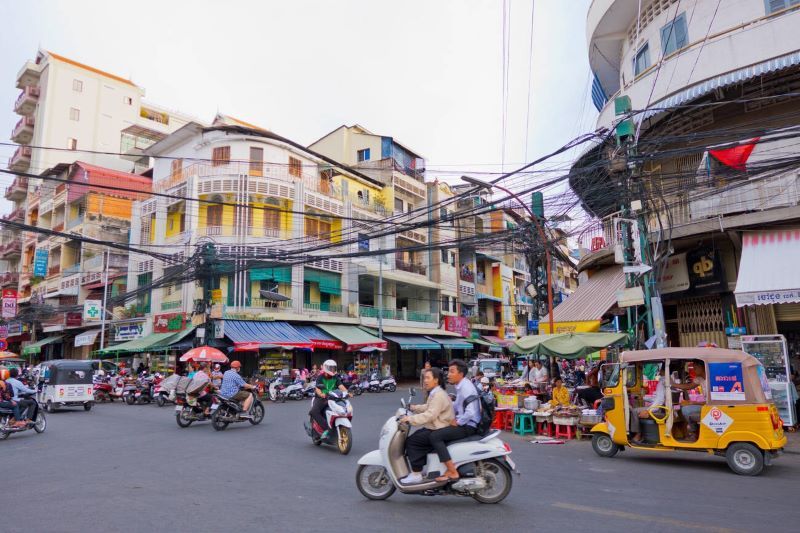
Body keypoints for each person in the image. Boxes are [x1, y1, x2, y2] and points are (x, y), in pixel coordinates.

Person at [429, 359, 481, 482]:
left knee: (435, 436)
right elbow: (457, 405)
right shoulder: (462, 385)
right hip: (466, 422)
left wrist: (458, 422)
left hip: (468, 426)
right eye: (448, 371)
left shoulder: (466, 387)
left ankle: (452, 471)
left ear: (461, 374)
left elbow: (471, 411)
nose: (448, 374)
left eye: (452, 372)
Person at [399, 367, 454, 484]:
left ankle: (416, 473)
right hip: (435, 426)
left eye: (428, 378)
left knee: (412, 441)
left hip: (438, 427)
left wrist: (410, 419)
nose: (425, 381)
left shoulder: (438, 395)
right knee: (417, 436)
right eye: (424, 378)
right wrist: (413, 407)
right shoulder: (435, 393)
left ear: (436, 380)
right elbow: (428, 407)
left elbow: (430, 415)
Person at [310, 360, 350, 439]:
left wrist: (347, 392)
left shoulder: (335, 377)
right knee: (313, 412)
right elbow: (317, 388)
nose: (332, 370)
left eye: (333, 368)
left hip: (335, 397)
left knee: (344, 409)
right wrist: (321, 394)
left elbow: (341, 386)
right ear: (325, 368)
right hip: (322, 398)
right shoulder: (320, 377)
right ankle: (326, 429)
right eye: (330, 368)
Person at [630, 368, 667, 443]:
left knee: (634, 411)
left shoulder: (663, 381)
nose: (659, 371)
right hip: (659, 406)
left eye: (660, 370)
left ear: (664, 370)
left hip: (658, 408)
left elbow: (659, 400)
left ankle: (638, 434)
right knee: (636, 409)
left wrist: (648, 410)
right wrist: (643, 398)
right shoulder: (665, 380)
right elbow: (656, 397)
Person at [673, 361, 707, 437]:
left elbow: (710, 402)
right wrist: (674, 384)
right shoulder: (700, 379)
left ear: (702, 367)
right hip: (705, 406)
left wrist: (692, 403)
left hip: (712, 407)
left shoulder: (711, 378)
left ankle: (694, 431)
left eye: (695, 368)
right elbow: (688, 386)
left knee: (686, 410)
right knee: (682, 407)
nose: (693, 370)